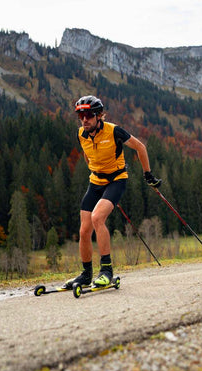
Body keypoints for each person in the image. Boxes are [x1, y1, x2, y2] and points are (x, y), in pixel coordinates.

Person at [63, 95, 161, 289]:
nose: (84, 119)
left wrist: (148, 174)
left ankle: (106, 271)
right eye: (81, 115)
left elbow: (140, 147)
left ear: (99, 116)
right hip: (96, 181)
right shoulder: (81, 134)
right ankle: (85, 275)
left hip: (116, 180)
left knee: (97, 218)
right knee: (84, 230)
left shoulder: (113, 131)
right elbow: (86, 153)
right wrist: (93, 169)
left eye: (89, 115)